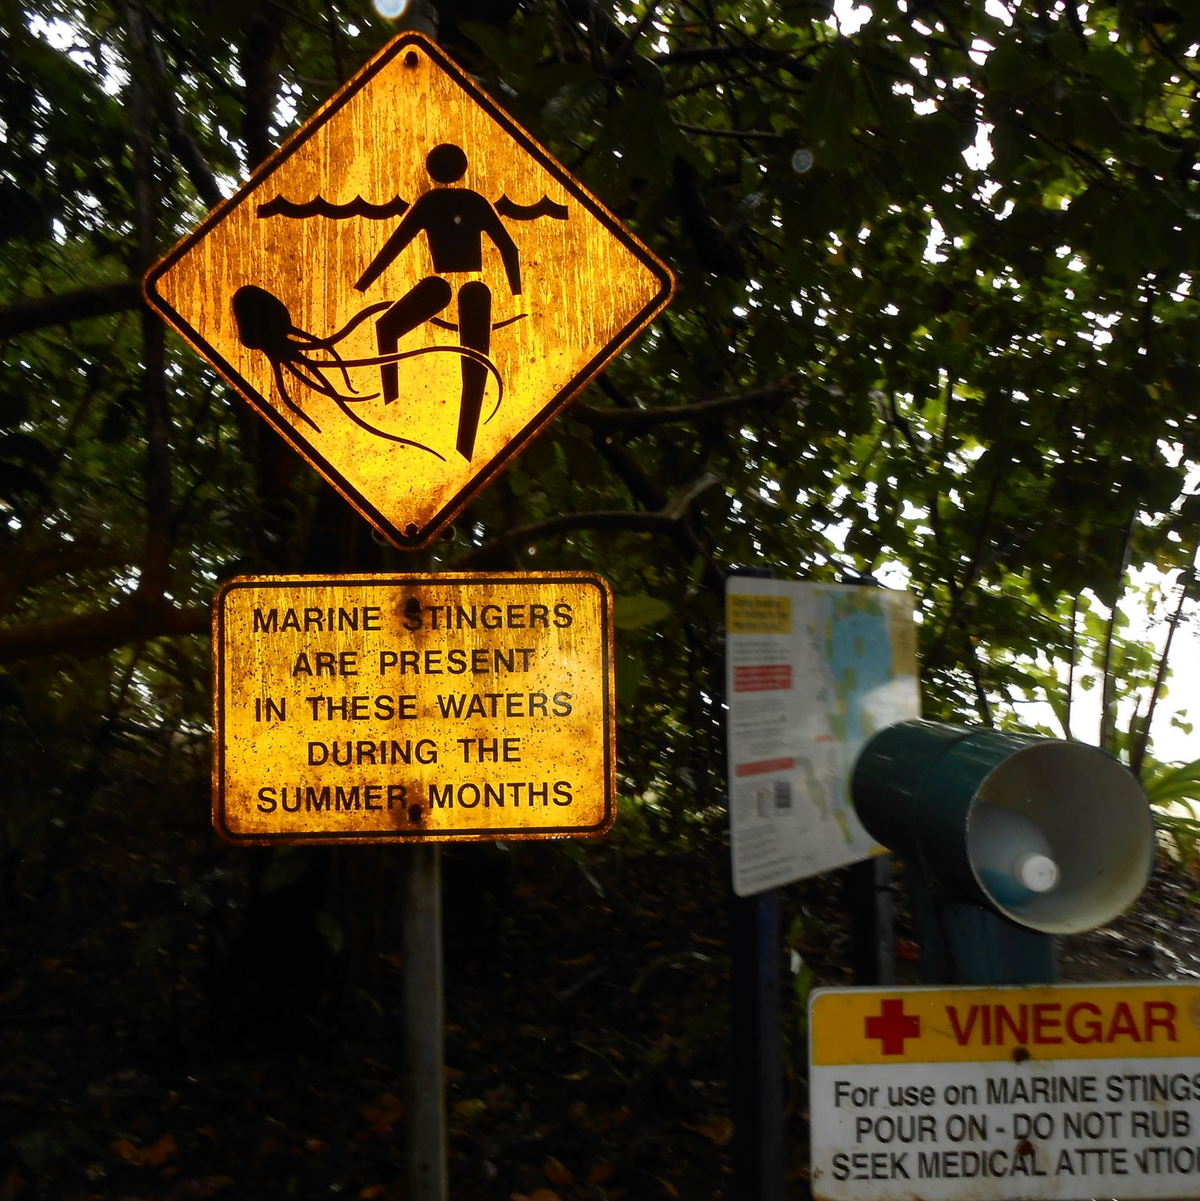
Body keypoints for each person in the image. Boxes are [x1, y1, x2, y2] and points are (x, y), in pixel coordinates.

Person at [354, 143, 522, 461]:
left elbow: (394, 245)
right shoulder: (469, 201)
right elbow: (508, 249)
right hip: (460, 287)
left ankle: (461, 452)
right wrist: (515, 294)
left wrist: (365, 283)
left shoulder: (436, 202)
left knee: (392, 331)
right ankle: (399, 417)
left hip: (459, 288)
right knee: (470, 368)